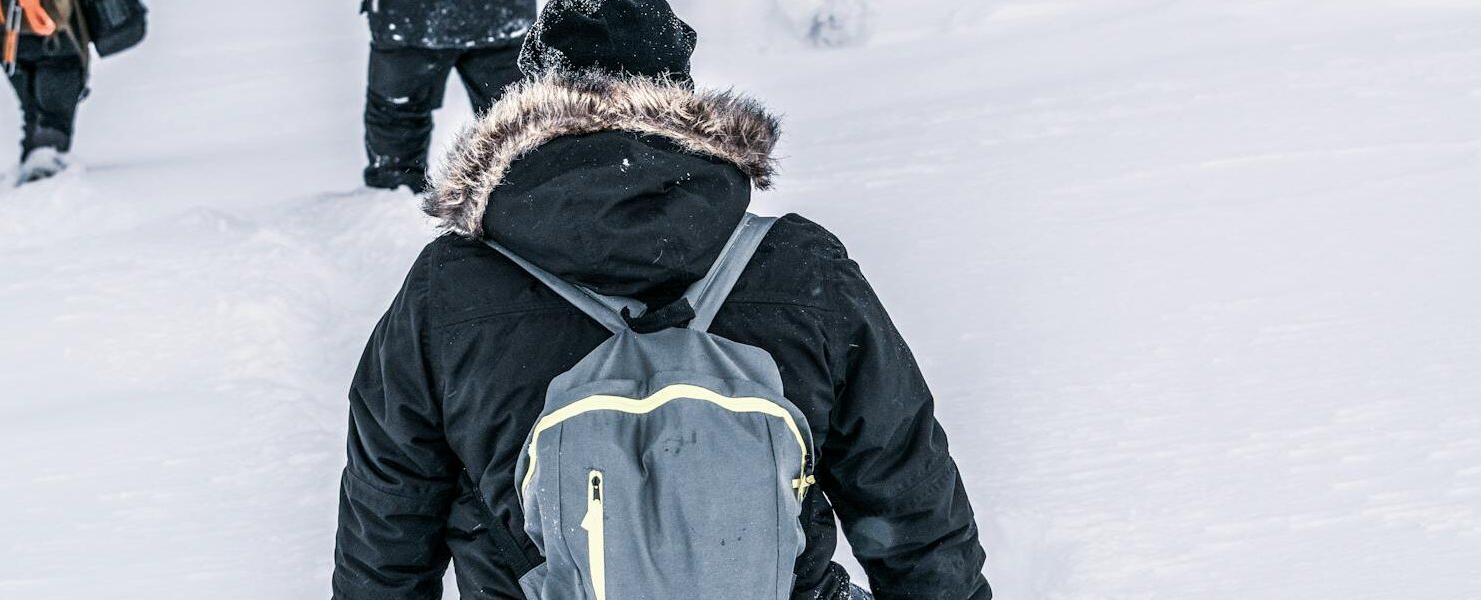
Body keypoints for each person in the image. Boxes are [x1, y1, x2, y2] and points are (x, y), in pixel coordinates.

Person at [331, 1, 992, 600]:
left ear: (528, 104)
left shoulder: (448, 289)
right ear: (682, 98)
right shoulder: (798, 265)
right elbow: (913, 507)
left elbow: (387, 530)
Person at [359, 0, 535, 193]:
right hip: (502, 16)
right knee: (519, 126)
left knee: (396, 126)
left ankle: (394, 200)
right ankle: (528, 199)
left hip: (407, 20)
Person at [0, 0, 92, 183]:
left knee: (33, 113)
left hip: (9, 39)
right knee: (52, 118)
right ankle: (44, 171)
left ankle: (32, 166)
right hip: (56, 38)